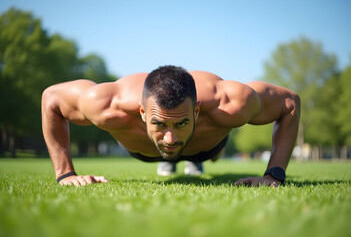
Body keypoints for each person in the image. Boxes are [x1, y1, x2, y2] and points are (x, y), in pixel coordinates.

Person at [41, 65, 300, 187]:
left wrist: (273, 175)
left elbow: (289, 103)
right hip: (142, 149)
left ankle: (202, 157)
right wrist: (66, 174)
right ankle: (173, 156)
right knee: (169, 147)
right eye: (159, 123)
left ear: (197, 111)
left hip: (206, 145)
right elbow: (51, 98)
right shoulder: (108, 104)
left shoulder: (231, 103)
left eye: (182, 122)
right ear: (142, 112)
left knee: (210, 149)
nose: (169, 138)